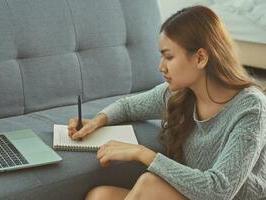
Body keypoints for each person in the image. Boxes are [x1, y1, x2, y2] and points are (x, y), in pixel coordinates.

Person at [68, 5, 266, 200]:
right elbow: (128, 106)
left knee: (149, 184)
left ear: (200, 57)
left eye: (169, 56)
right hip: (191, 193)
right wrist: (97, 121)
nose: (161, 67)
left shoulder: (251, 108)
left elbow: (218, 191)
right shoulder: (179, 94)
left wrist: (142, 154)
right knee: (100, 196)